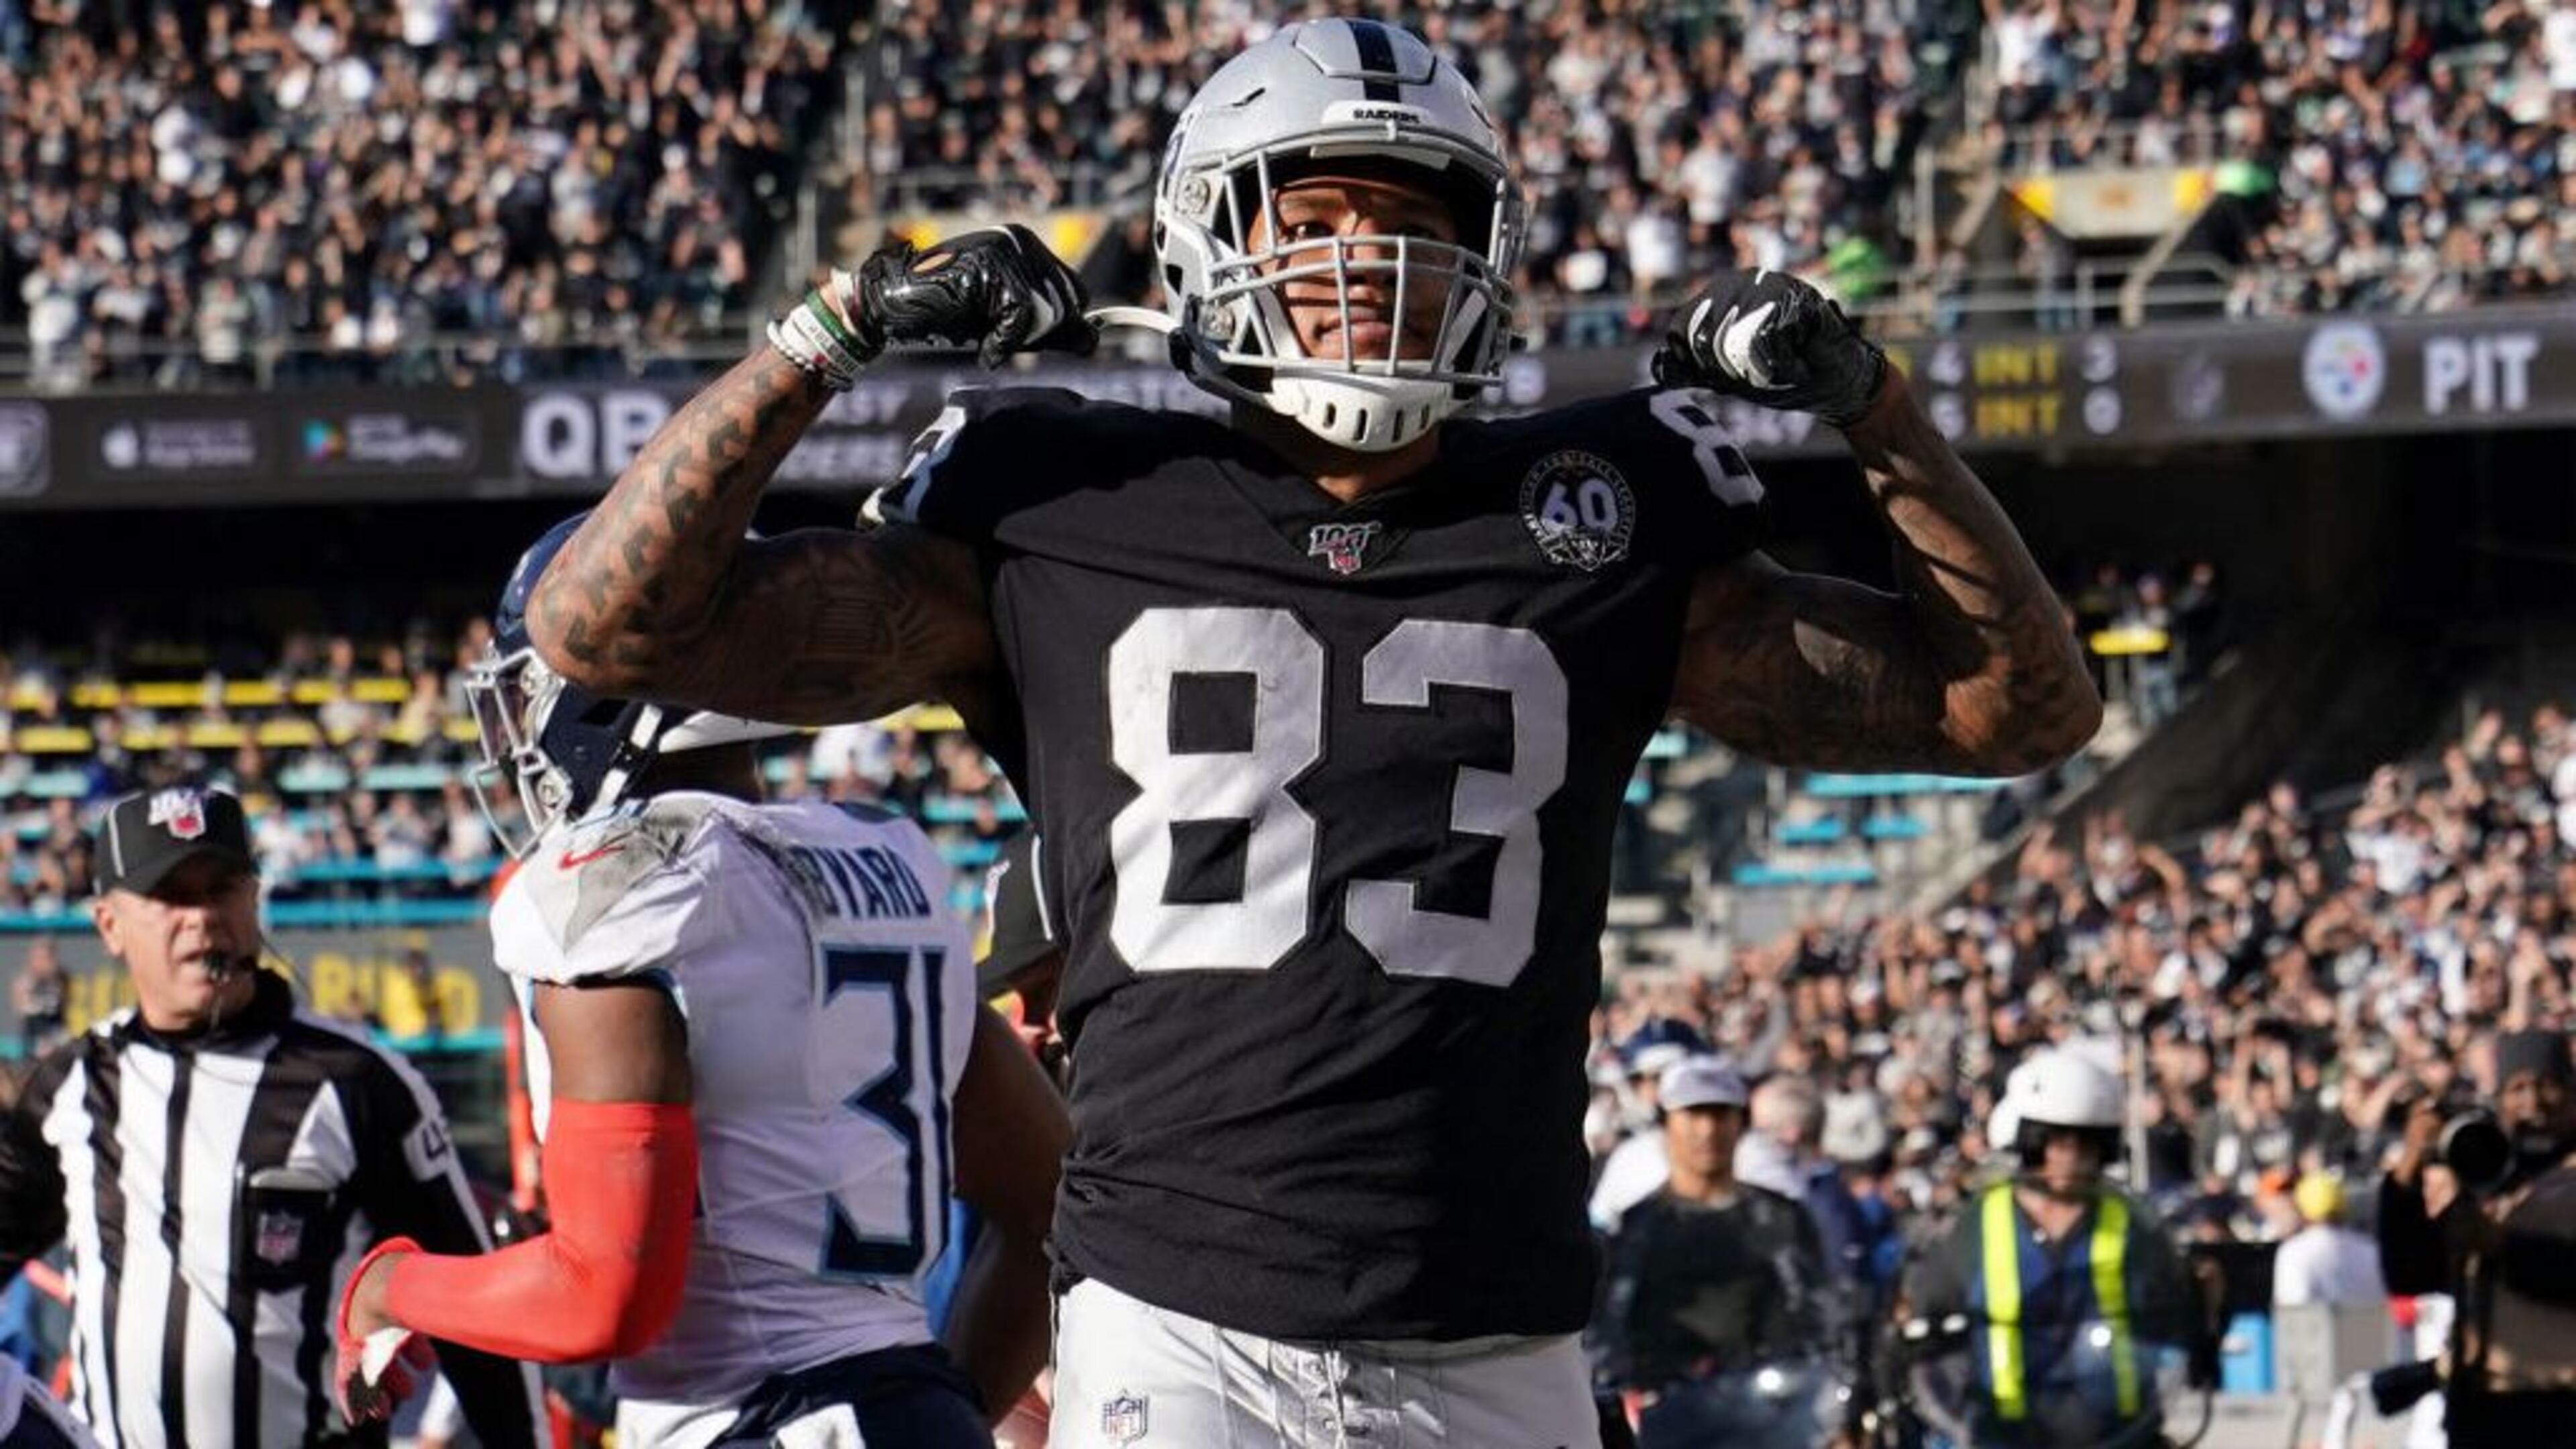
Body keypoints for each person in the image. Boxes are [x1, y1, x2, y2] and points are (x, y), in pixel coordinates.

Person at [524, 18, 2098, 1444]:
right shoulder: (1063, 500)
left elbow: (2014, 710)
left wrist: (1874, 407)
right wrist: (827, 336)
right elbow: (602, 631)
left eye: (1414, 224)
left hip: (1495, 1316)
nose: (1370, 262)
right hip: (1177, 1305)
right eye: (1320, 218)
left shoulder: (1606, 514)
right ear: (1209, 235)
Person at [335, 519, 1071, 1448]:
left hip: (753, 1417)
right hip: (903, 1408)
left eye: (537, 682)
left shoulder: (617, 886)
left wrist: (387, 1287)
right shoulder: (888, 855)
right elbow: (1053, 1200)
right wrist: (940, 1410)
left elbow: (602, 1300)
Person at [0, 784, 542, 1448]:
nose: (202, 916)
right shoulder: (71, 1087)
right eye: (172, 895)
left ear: (254, 899)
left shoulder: (358, 1082)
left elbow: (479, 1323)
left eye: (221, 887)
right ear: (109, 925)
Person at [1902, 1048, 2207, 1447]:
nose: (2070, 1157)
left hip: (2119, 1432)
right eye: (2054, 1141)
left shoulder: (2134, 1223)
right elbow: (1927, 1317)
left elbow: (2173, 1315)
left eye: (2085, 1144)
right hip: (2005, 1432)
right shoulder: (1976, 1221)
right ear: (2030, 1142)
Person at [1592, 1056, 1831, 1449]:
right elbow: (1609, 1333)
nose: (1708, 1130)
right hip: (1665, 1420)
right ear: (1667, 1124)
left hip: (1770, 1419)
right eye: (1693, 1113)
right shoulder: (1638, 1230)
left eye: (1721, 1114)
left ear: (1741, 1123)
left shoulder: (1779, 1219)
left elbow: (1817, 1317)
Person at [2375, 1029, 2576, 1442]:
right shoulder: (2484, 1179)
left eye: (2547, 1086)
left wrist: (2502, 1246)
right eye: (2517, 1088)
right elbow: (2410, 1275)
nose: (2533, 1102)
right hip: (2485, 1409)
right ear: (2498, 1100)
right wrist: (2408, 1172)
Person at [2273, 1172, 2387, 1309]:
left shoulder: (2293, 1253)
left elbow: (2294, 1313)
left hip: (2318, 1330)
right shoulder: (2371, 1249)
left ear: (2301, 1211)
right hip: (2371, 1330)